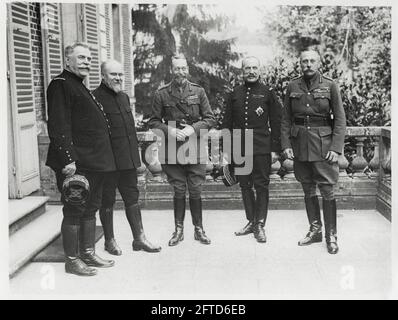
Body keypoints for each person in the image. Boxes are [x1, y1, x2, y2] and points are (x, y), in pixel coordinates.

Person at [46, 42, 115, 276]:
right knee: (75, 209)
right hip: (75, 163)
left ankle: (87, 253)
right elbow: (58, 125)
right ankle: (72, 260)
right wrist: (68, 160)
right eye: (81, 58)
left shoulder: (79, 85)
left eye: (89, 58)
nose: (87, 62)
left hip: (93, 161)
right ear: (67, 61)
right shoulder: (60, 84)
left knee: (90, 207)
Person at [281, 48, 346, 254]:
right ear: (300, 64)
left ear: (318, 64)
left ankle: (331, 235)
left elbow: (340, 120)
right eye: (304, 61)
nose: (308, 64)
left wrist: (336, 148)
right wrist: (286, 146)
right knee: (307, 188)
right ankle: (315, 230)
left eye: (311, 61)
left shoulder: (330, 85)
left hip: (324, 146)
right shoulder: (292, 85)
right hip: (300, 145)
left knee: (327, 189)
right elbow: (285, 119)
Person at [93, 60, 161, 255]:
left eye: (121, 75)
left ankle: (139, 238)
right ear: (103, 76)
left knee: (132, 199)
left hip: (127, 162)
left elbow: (130, 132)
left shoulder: (124, 98)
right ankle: (109, 240)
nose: (118, 78)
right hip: (107, 162)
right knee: (107, 201)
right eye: (113, 74)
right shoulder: (94, 99)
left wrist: (136, 159)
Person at [148, 55, 216, 246]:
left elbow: (210, 119)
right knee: (178, 191)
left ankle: (198, 229)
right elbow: (153, 122)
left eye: (183, 68)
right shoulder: (161, 94)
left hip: (195, 149)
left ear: (188, 69)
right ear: (172, 70)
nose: (181, 72)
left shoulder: (198, 91)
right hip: (172, 151)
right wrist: (170, 130)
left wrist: (192, 129)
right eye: (177, 69)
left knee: (195, 191)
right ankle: (178, 230)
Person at [221, 56, 282, 243]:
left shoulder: (267, 93)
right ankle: (251, 221)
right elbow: (227, 124)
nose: (251, 71)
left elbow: (277, 122)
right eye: (247, 68)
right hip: (240, 146)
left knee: (261, 185)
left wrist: (275, 149)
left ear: (260, 70)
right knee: (245, 185)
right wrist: (227, 150)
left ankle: (260, 224)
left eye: (255, 67)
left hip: (261, 146)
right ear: (242, 71)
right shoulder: (235, 94)